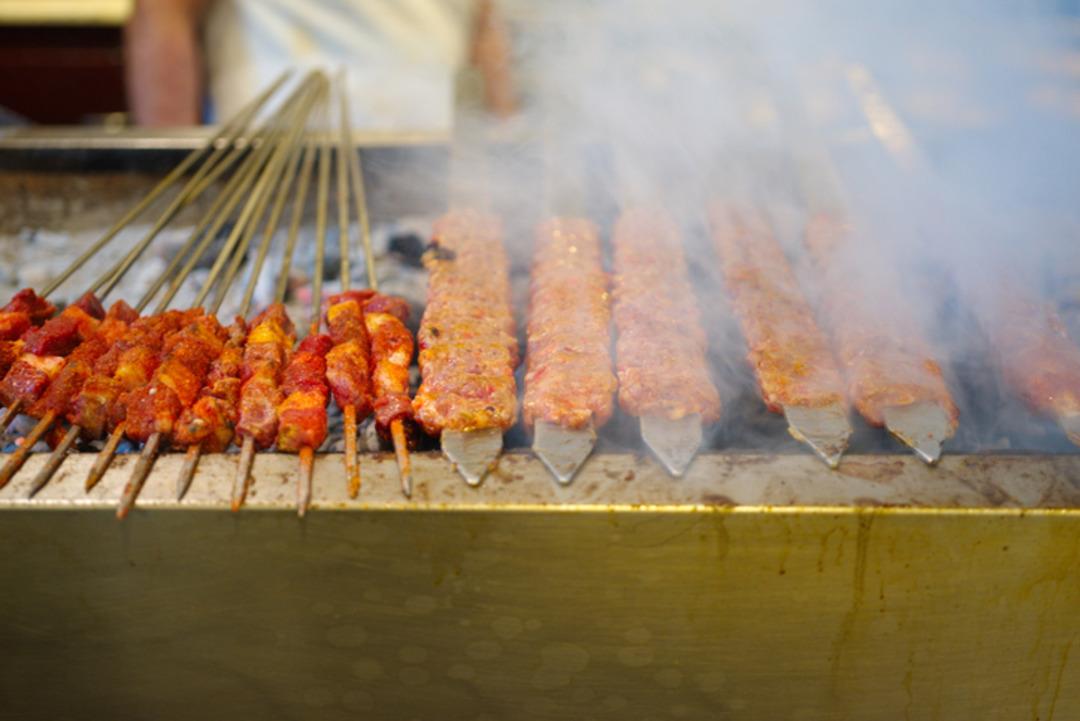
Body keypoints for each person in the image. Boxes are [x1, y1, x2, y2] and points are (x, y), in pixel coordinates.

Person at [124, 0, 513, 130]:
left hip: (432, 160)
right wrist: (177, 185)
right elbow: (164, 12)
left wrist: (508, 135)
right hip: (271, 154)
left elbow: (484, 27)